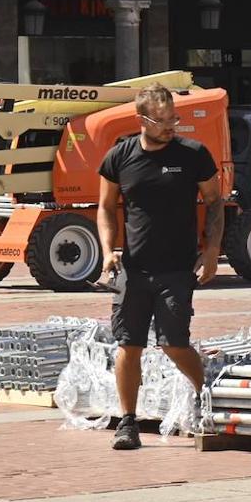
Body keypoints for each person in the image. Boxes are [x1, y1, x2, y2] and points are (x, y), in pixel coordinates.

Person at [95, 83, 224, 451]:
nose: (172, 126)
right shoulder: (119, 158)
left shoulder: (194, 154)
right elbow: (105, 207)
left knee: (174, 344)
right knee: (128, 345)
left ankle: (208, 398)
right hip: (133, 269)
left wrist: (211, 250)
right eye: (163, 120)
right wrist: (108, 250)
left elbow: (215, 201)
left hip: (176, 267)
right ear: (142, 119)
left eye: (174, 119)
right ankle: (128, 422)